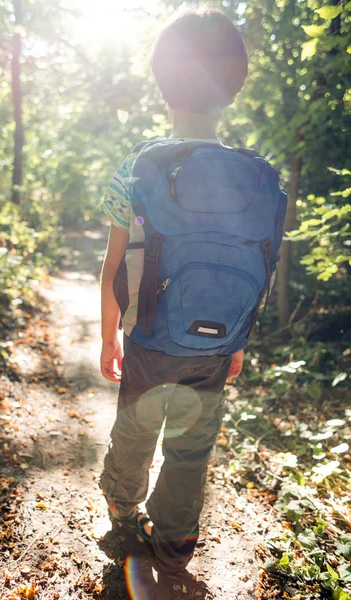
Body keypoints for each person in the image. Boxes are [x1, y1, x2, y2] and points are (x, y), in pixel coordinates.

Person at [98, 6, 285, 577]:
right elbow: (263, 267)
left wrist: (109, 337)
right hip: (217, 341)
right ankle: (177, 539)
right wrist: (237, 340)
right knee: (192, 442)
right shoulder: (258, 175)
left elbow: (114, 268)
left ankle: (124, 514)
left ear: (161, 81)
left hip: (151, 337)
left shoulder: (138, 169)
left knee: (136, 425)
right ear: (234, 86)